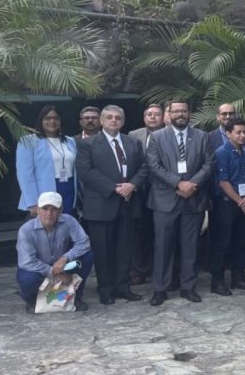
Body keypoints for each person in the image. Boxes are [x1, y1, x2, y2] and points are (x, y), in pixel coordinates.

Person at [145, 100, 215, 306]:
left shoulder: (202, 136)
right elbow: (153, 166)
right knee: (163, 246)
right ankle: (160, 289)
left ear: (189, 113)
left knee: (190, 246)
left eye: (184, 110)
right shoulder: (157, 138)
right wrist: (178, 183)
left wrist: (192, 184)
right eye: (175, 111)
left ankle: (188, 287)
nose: (180, 114)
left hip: (194, 199)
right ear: (169, 114)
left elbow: (209, 163)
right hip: (165, 199)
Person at [76, 105, 148, 305]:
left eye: (118, 118)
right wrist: (115, 188)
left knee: (125, 249)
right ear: (101, 121)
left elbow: (144, 167)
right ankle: (105, 289)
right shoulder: (88, 144)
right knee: (103, 251)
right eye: (109, 117)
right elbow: (85, 171)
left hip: (128, 203)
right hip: (101, 205)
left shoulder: (132, 143)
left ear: (123, 121)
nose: (113, 121)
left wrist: (132, 185)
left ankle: (123, 287)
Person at [16, 192, 94, 313]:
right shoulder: (26, 230)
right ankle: (33, 301)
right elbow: (27, 262)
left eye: (54, 209)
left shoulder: (69, 221)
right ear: (37, 209)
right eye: (45, 208)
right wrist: (54, 273)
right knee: (27, 278)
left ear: (61, 210)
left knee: (87, 257)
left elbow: (84, 243)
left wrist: (65, 258)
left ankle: (76, 297)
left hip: (64, 266)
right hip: (39, 270)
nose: (49, 213)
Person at [210, 117, 245, 296]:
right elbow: (223, 181)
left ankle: (239, 277)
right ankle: (218, 281)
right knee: (223, 243)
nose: (242, 135)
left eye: (244, 132)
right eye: (238, 132)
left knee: (242, 241)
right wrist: (240, 201)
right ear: (228, 134)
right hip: (228, 203)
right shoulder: (222, 152)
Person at [17, 105, 78, 217]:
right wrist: (32, 202)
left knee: (66, 228)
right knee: (47, 230)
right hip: (43, 193)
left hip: (69, 190)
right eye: (47, 118)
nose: (52, 121)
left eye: (56, 118)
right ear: (41, 121)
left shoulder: (70, 141)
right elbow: (25, 175)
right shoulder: (28, 141)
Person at [127, 104, 164, 285]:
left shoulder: (169, 134)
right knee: (140, 231)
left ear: (163, 117)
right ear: (144, 117)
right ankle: (139, 270)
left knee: (161, 231)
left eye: (157, 114)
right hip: (139, 190)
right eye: (149, 114)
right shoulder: (134, 135)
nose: (153, 117)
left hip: (163, 189)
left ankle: (159, 268)